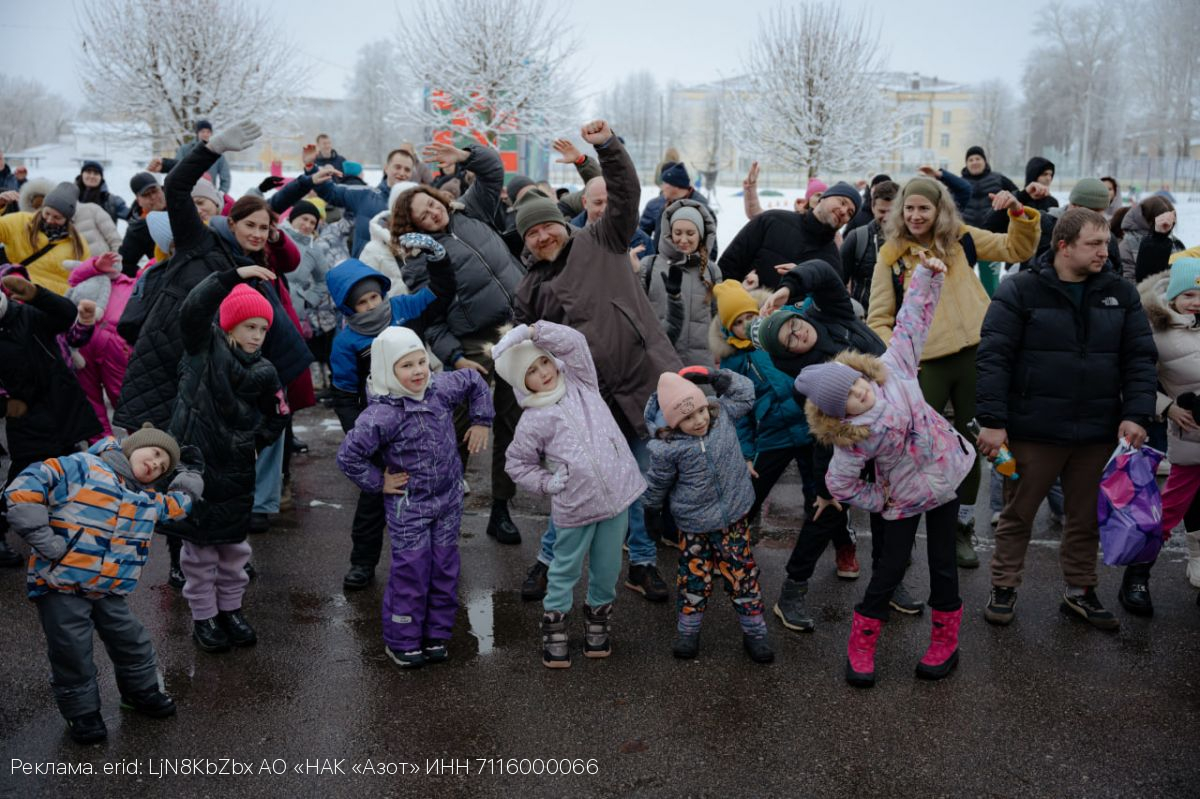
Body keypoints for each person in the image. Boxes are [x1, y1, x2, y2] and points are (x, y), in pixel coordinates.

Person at [512, 120, 682, 604]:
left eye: (547, 225)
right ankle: (547, 562)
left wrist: (603, 148)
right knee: (577, 484)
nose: (542, 235)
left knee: (640, 483)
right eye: (532, 232)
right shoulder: (531, 288)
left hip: (642, 379)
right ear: (525, 241)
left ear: (562, 223)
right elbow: (524, 352)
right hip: (587, 404)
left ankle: (643, 563)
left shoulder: (601, 239)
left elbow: (625, 190)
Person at [976, 209, 1157, 631]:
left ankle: (1080, 591)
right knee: (1018, 514)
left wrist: (1136, 412)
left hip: (1096, 431)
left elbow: (1140, 358)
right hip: (1033, 429)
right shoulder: (1019, 290)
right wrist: (992, 419)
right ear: (1063, 245)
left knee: (1086, 517)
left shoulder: (1120, 293)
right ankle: (1003, 586)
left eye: (1105, 242)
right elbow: (993, 358)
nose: (1104, 250)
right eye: (1093, 243)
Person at [798, 254, 971, 687]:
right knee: (890, 568)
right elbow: (838, 483)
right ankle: (862, 643)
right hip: (905, 496)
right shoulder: (853, 439)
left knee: (943, 564)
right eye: (853, 399)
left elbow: (912, 321)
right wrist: (880, 499)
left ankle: (945, 641)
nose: (863, 395)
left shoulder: (893, 370)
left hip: (947, 476)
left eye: (859, 385)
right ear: (840, 414)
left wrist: (928, 276)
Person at [867, 177, 1039, 569]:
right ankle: (903, 531)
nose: (915, 215)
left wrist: (1018, 213)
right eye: (909, 208)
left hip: (976, 356)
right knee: (911, 447)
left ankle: (961, 529)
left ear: (939, 210)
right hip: (925, 365)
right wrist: (900, 358)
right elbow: (879, 318)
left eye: (923, 208)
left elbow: (1018, 247)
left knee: (971, 443)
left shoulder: (961, 238)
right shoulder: (891, 255)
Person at [4, 426, 202, 743]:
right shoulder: (82, 466)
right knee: (72, 651)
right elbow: (26, 485)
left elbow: (176, 506)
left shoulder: (146, 499)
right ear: (132, 446)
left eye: (163, 465)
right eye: (154, 453)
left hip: (109, 589)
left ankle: (140, 693)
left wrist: (190, 477)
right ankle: (82, 714)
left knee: (132, 640)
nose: (156, 463)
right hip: (61, 584)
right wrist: (42, 538)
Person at [753, 261, 913, 630]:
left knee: (892, 515)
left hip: (893, 429)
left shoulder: (831, 314)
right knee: (827, 513)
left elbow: (824, 272)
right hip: (852, 445)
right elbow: (825, 433)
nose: (798, 335)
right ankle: (791, 591)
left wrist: (787, 287)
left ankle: (890, 582)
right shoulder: (806, 377)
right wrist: (828, 488)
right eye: (788, 340)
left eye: (795, 326)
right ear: (787, 354)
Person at [391, 143, 527, 546]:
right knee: (459, 430)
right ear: (412, 225)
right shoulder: (419, 260)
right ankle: (443, 507)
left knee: (509, 425)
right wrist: (453, 357)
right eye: (422, 215)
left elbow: (492, 173)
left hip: (514, 332)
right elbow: (429, 321)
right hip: (470, 347)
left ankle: (501, 508)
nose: (433, 213)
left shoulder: (473, 210)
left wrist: (467, 155)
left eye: (432, 205)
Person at [337, 326, 493, 668]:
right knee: (412, 570)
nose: (419, 371)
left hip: (448, 501)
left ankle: (436, 634)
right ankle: (403, 639)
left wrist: (481, 420)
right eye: (406, 366)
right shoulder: (382, 414)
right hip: (411, 506)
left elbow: (474, 381)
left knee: (444, 567)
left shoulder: (439, 388)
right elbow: (348, 456)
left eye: (421, 361)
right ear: (386, 371)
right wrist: (379, 482)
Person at [496, 322, 645, 668]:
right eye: (531, 371)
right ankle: (555, 623)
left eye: (544, 362)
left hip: (616, 497)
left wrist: (533, 332)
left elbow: (575, 341)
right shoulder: (533, 420)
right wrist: (547, 483)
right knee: (564, 570)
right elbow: (516, 463)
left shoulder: (582, 383)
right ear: (522, 383)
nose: (543, 372)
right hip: (575, 506)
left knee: (608, 569)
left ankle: (598, 617)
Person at [162, 267, 288, 652]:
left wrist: (254, 442)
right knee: (198, 556)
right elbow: (192, 311)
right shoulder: (203, 348)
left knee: (234, 551)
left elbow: (279, 413)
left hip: (235, 473)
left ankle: (231, 610)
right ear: (230, 327)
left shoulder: (266, 371)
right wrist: (231, 276)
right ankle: (204, 618)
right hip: (195, 470)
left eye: (262, 329)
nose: (256, 335)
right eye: (249, 326)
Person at [325, 240, 457, 591]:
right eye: (361, 302)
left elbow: (441, 291)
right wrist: (363, 437)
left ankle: (434, 558)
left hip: (422, 418)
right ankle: (362, 562)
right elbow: (344, 395)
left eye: (373, 297)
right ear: (348, 308)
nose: (371, 305)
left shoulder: (401, 308)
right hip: (381, 428)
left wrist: (438, 257)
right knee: (373, 499)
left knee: (431, 492)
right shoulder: (346, 341)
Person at [642, 367, 775, 664]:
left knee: (743, 575)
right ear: (675, 423)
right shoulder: (669, 448)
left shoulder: (722, 415)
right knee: (693, 578)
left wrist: (721, 377)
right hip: (694, 526)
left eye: (701, 411)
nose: (699, 421)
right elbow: (657, 481)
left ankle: (755, 632)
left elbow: (745, 393)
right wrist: (651, 508)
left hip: (733, 519)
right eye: (688, 418)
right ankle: (688, 631)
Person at [0, 275, 103, 566]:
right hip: (26, 417)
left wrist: (36, 294)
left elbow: (66, 314)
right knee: (21, 481)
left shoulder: (26, 314)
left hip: (62, 406)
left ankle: (77, 536)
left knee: (73, 473)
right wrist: (4, 405)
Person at [706, 279, 814, 541]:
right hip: (772, 433)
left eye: (750, 316)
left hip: (809, 424)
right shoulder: (732, 361)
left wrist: (801, 282)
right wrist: (746, 453)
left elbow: (809, 312)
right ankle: (733, 546)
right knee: (751, 492)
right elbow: (737, 414)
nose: (747, 325)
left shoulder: (778, 334)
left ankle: (844, 543)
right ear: (728, 328)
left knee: (820, 493)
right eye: (738, 322)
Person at [1133, 258, 1200, 614]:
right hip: (1190, 439)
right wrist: (1167, 408)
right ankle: (1138, 574)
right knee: (1170, 509)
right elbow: (1137, 378)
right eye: (1188, 294)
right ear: (1173, 296)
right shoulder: (1156, 333)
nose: (1196, 302)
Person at [718, 182, 862, 290]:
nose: (844, 211)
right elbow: (728, 265)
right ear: (822, 198)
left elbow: (827, 310)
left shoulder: (833, 262)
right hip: (740, 321)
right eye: (842, 202)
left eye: (850, 212)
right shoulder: (772, 221)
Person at [639, 200, 720, 367]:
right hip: (658, 363)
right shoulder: (649, 265)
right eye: (678, 233)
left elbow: (719, 319)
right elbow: (635, 312)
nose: (683, 239)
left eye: (690, 233)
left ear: (701, 235)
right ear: (669, 233)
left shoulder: (712, 271)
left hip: (700, 364)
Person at [64, 252, 137, 437]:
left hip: (116, 345)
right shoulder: (89, 277)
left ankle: (141, 444)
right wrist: (95, 265)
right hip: (82, 341)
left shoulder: (132, 283)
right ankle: (102, 449)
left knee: (124, 399)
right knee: (90, 401)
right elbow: (73, 277)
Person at [312, 147, 423, 256]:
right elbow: (331, 192)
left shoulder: (416, 206)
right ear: (386, 168)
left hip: (398, 272)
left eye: (407, 169)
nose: (402, 172)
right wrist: (311, 168)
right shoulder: (365, 195)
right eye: (397, 167)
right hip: (365, 271)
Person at [0, 181, 88, 295]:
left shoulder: (78, 243)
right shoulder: (21, 222)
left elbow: (84, 279)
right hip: (18, 292)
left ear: (68, 219)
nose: (50, 220)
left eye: (57, 217)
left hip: (54, 302)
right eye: (47, 213)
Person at [960, 145, 1019, 295]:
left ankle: (991, 312)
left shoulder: (999, 179)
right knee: (963, 283)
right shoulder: (959, 183)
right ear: (966, 163)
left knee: (990, 284)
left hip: (992, 239)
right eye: (970, 159)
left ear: (985, 161)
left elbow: (1016, 197)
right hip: (965, 239)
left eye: (978, 158)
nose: (974, 162)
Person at [840, 180, 899, 312]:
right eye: (882, 211)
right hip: (864, 321)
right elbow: (838, 282)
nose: (887, 217)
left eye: (892, 211)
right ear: (872, 207)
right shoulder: (857, 238)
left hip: (903, 324)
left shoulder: (912, 240)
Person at [1120, 195, 1184, 283]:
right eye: (1162, 221)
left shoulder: (1176, 243)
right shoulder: (1128, 245)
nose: (1166, 225)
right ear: (1148, 220)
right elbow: (1127, 282)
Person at [119, 172, 167, 277]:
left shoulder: (179, 204)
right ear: (139, 200)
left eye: (155, 191)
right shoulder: (137, 228)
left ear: (162, 189)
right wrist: (145, 274)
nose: (153, 197)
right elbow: (124, 264)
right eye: (146, 195)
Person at [174, 120, 231, 194]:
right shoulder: (184, 150)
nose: (205, 134)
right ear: (197, 133)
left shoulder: (218, 153)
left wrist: (221, 194)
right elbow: (175, 171)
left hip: (209, 195)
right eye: (202, 131)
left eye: (208, 132)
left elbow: (225, 177)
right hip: (187, 194)